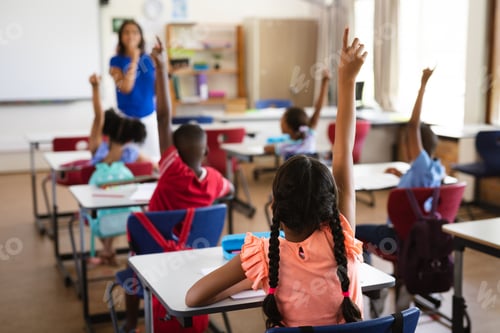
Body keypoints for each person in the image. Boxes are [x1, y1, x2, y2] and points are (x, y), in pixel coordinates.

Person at [185, 28, 367, 328]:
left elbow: (194, 298)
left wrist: (249, 282)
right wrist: (347, 82)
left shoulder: (267, 257)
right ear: (330, 205)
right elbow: (342, 153)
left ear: (274, 207)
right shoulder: (342, 240)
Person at [121, 37, 234, 333]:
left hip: (154, 256)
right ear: (207, 153)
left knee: (131, 270)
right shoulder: (214, 181)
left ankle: (132, 325)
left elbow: (163, 116)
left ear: (174, 154)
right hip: (196, 256)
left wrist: (159, 67)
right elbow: (230, 191)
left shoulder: (172, 170)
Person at [355, 67, 445, 314]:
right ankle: (404, 279)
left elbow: (413, 125)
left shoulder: (421, 163)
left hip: (397, 242)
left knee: (354, 234)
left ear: (416, 146)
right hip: (424, 242)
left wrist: (422, 85)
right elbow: (422, 189)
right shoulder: (435, 170)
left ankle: (375, 290)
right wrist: (402, 175)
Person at [87, 74, 152, 266]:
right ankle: (108, 250)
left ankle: (107, 249)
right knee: (118, 202)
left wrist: (95, 88)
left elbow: (98, 115)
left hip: (100, 206)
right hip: (126, 208)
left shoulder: (98, 149)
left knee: (104, 207)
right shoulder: (131, 153)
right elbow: (152, 167)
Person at [109, 20, 161, 161]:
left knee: (153, 160)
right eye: (126, 32)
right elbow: (125, 87)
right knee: (128, 161)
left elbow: (157, 90)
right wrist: (134, 59)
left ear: (140, 36)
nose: (131, 36)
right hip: (126, 119)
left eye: (135, 32)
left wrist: (163, 67)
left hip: (149, 117)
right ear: (120, 37)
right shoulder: (115, 61)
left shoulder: (149, 60)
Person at [263, 69, 331, 158]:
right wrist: (325, 83)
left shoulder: (284, 147)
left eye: (282, 119)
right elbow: (318, 109)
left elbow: (266, 148)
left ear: (288, 127)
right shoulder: (309, 136)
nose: (280, 122)